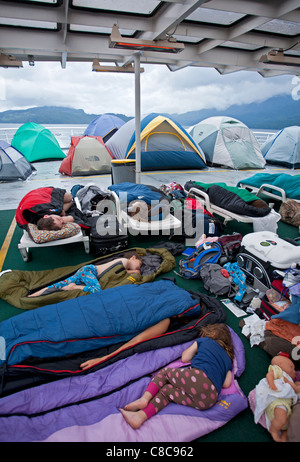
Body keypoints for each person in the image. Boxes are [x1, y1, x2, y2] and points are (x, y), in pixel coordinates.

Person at [119, 323, 234, 429]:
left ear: (212, 333)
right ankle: (140, 416)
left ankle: (144, 399)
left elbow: (185, 358)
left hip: (198, 378)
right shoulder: (228, 360)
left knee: (165, 373)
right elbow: (226, 384)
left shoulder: (205, 340)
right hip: (209, 400)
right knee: (167, 391)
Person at [28, 252, 143, 297]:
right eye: (139, 263)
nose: (139, 267)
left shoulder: (123, 263)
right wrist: (133, 271)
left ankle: (31, 296)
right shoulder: (124, 261)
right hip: (89, 272)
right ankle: (74, 287)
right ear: (133, 257)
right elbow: (118, 271)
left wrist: (132, 271)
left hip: (86, 272)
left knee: (56, 285)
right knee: (97, 290)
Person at [254, 353, 300, 442]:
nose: (294, 371)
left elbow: (295, 389)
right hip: (278, 400)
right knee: (281, 418)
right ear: (279, 366)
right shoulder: (279, 372)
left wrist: (294, 387)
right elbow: (269, 375)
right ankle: (274, 431)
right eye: (291, 367)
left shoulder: (289, 380)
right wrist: (271, 383)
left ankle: (284, 438)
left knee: (289, 425)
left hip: (286, 404)